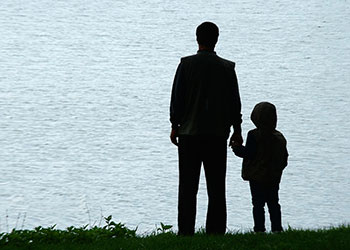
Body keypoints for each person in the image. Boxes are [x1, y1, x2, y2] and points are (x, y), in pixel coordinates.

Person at [169, 21, 243, 235]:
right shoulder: (227, 68)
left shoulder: (185, 64)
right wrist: (237, 130)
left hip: (189, 134)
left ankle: (185, 232)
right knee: (217, 188)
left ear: (197, 38)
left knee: (187, 188)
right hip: (217, 135)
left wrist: (175, 125)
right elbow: (234, 103)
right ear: (217, 39)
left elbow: (177, 99)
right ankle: (216, 231)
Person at [231, 102, 288, 233]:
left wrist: (236, 148)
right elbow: (284, 158)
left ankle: (259, 229)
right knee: (274, 203)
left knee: (258, 204)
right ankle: (277, 228)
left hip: (256, 176)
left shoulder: (253, 135)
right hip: (273, 177)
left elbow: (249, 153)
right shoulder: (279, 137)